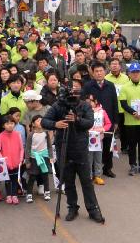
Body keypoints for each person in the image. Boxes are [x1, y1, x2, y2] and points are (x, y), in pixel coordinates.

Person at [43, 78, 105, 223]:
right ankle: (72, 207)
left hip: (80, 148)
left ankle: (93, 209)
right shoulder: (59, 105)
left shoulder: (84, 106)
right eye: (71, 89)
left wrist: (77, 119)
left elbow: (89, 123)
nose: (74, 93)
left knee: (86, 182)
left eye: (77, 89)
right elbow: (45, 121)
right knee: (69, 181)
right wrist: (56, 124)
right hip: (63, 147)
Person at [82, 61, 119, 179]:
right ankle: (92, 171)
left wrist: (116, 121)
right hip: (92, 123)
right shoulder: (88, 86)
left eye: (101, 71)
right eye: (96, 71)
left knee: (108, 145)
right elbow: (83, 103)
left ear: (105, 71)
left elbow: (115, 103)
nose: (99, 73)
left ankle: (107, 168)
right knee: (93, 148)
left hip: (107, 121)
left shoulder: (110, 85)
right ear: (92, 73)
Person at [118, 62, 140, 176]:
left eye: (137, 72)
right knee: (132, 145)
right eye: (133, 72)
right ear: (129, 74)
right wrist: (134, 113)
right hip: (130, 121)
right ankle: (132, 165)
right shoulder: (125, 87)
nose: (135, 74)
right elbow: (123, 103)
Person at [0, 114, 24, 204]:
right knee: (7, 180)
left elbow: (21, 148)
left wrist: (20, 159)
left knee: (15, 179)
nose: (10, 125)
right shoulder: (0, 136)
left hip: (16, 162)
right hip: (6, 163)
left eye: (12, 123)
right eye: (7, 123)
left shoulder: (18, 135)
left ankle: (14, 195)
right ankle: (9, 195)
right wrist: (3, 160)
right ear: (3, 125)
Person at [23, 116, 51, 203]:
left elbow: (49, 146)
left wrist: (51, 157)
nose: (40, 122)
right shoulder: (31, 134)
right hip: (34, 157)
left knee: (45, 175)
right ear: (33, 124)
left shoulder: (46, 133)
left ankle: (47, 192)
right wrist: (27, 160)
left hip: (44, 156)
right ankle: (29, 194)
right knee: (32, 176)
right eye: (38, 121)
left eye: (42, 120)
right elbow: (27, 148)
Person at [86, 94, 111, 185]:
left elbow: (108, 123)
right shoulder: (84, 112)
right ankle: (88, 176)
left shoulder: (102, 112)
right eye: (87, 101)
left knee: (98, 158)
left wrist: (103, 129)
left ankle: (98, 176)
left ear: (95, 101)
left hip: (99, 140)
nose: (88, 103)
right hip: (88, 140)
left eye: (90, 101)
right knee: (88, 159)